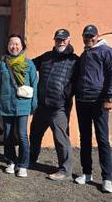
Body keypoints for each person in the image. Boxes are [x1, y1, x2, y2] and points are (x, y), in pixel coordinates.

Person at [75, 24, 112, 193]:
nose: (88, 38)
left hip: (99, 102)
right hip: (82, 101)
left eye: (91, 36)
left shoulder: (107, 52)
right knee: (84, 138)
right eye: (86, 36)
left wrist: (110, 97)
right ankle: (87, 173)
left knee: (102, 140)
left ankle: (107, 178)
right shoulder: (84, 54)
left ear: (97, 36)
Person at [29, 29, 79, 180]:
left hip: (59, 107)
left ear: (69, 40)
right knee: (35, 134)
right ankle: (31, 160)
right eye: (58, 39)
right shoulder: (46, 57)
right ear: (54, 40)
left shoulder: (74, 60)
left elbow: (77, 82)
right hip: (42, 105)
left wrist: (66, 95)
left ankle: (65, 171)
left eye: (63, 39)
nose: (61, 42)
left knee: (61, 138)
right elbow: (30, 66)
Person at [0, 34, 38, 178]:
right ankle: (11, 161)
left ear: (22, 46)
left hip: (23, 104)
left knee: (22, 135)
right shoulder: (2, 63)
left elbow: (34, 84)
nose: (14, 46)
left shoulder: (29, 63)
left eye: (17, 44)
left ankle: (23, 164)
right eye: (11, 44)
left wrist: (34, 103)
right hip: (6, 103)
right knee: (7, 135)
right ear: (7, 46)